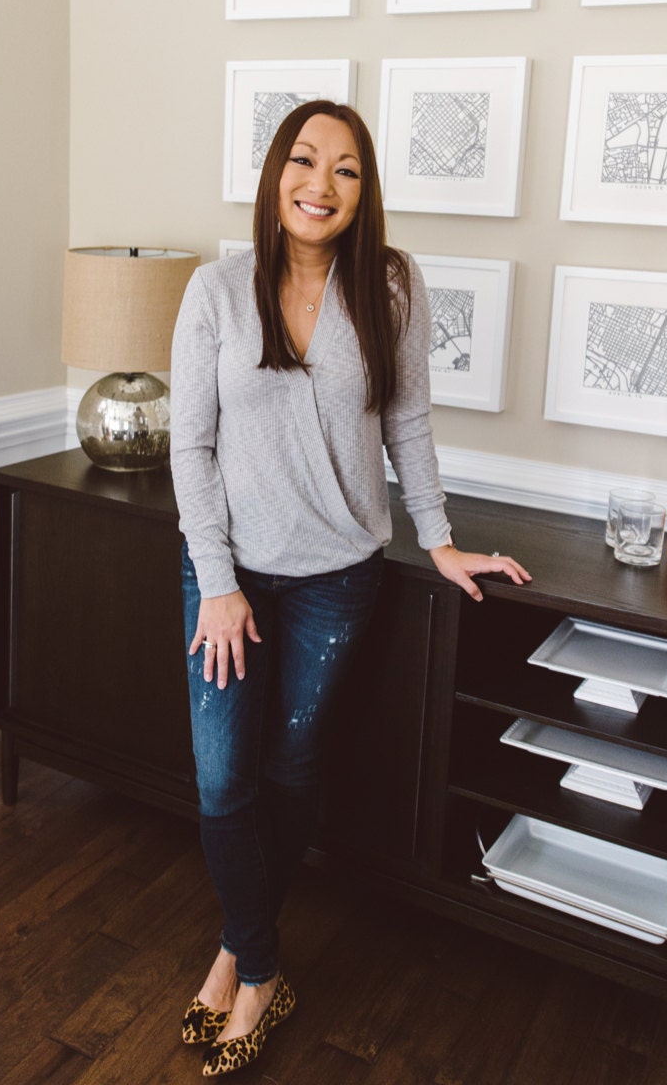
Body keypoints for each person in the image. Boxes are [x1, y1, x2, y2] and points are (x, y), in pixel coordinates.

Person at [169, 99, 530, 1077]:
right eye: (303, 160)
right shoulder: (214, 289)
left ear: (365, 192)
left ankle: (239, 958)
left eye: (345, 170)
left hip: (337, 577)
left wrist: (442, 542)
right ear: (274, 173)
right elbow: (189, 445)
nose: (319, 185)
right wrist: (216, 582)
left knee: (289, 773)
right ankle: (263, 962)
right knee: (220, 778)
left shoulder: (390, 286)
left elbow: (408, 426)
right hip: (229, 580)